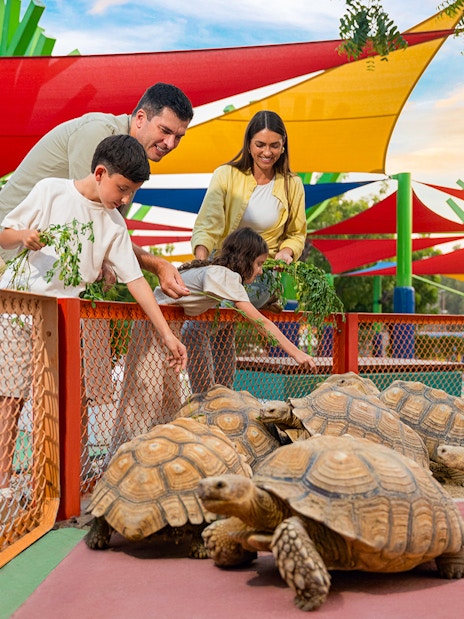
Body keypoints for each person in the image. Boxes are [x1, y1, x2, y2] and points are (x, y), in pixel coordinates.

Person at [0, 134, 187, 503]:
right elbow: (5, 235)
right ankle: (3, 485)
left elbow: (136, 280)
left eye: (132, 192)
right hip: (20, 310)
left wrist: (167, 334)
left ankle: (70, 477)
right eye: (122, 188)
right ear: (100, 172)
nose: (126, 199)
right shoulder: (51, 191)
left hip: (68, 316)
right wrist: (23, 235)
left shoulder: (114, 224)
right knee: (10, 397)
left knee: (74, 397)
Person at [109, 227, 316, 459]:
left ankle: (153, 458)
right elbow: (260, 322)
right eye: (258, 264)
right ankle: (124, 460)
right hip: (154, 328)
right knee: (145, 402)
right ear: (245, 259)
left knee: (166, 402)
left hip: (165, 330)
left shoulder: (220, 274)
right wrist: (297, 354)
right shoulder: (223, 276)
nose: (259, 272)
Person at [0, 82, 194, 299]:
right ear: (140, 118)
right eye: (165, 131)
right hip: (9, 257)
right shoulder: (99, 132)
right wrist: (158, 265)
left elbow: (108, 232)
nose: (170, 143)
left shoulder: (130, 161)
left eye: (178, 137)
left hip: (42, 269)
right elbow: (89, 225)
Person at [185, 109, 307, 391]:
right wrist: (201, 265)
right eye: (260, 145)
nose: (267, 152)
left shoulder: (292, 184)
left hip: (261, 274)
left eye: (275, 145)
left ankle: (206, 399)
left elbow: (297, 233)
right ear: (249, 144)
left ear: (284, 144)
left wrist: (287, 253)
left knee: (201, 326)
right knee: (221, 330)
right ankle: (222, 398)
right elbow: (208, 222)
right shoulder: (226, 175)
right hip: (223, 268)